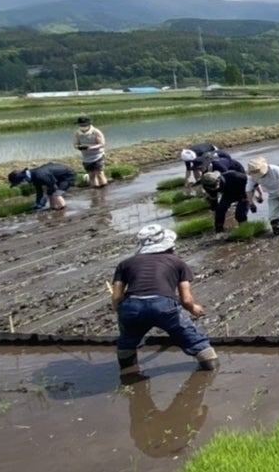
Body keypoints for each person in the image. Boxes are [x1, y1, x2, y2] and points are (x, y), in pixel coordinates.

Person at [111, 224, 218, 373]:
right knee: (193, 339)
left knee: (127, 342)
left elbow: (116, 297)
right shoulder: (177, 262)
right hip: (164, 306)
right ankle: (210, 367)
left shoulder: (125, 264)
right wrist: (194, 308)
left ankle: (128, 373)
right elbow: (186, 300)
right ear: (169, 245)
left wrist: (123, 313)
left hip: (132, 307)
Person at [245, 157, 279, 235]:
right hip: (273, 194)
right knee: (272, 217)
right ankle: (278, 233)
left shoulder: (275, 169)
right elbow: (248, 191)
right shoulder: (253, 177)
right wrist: (251, 203)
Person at [200, 169, 252, 234]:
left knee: (240, 214)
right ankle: (219, 231)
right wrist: (214, 207)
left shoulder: (235, 176)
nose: (212, 188)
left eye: (214, 186)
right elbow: (213, 197)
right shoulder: (207, 185)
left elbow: (253, 182)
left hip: (244, 193)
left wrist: (254, 199)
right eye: (210, 187)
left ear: (218, 180)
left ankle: (244, 231)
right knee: (220, 211)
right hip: (228, 194)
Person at [8, 162, 76, 210]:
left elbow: (53, 186)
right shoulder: (33, 176)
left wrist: (44, 200)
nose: (20, 185)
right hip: (57, 177)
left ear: (22, 179)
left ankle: (63, 209)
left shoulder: (40, 175)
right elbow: (39, 190)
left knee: (56, 194)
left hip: (68, 176)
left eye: (19, 183)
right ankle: (53, 208)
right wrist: (38, 204)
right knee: (50, 193)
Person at [73, 116, 108, 188]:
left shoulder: (96, 132)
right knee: (91, 175)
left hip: (98, 156)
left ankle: (104, 191)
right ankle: (95, 191)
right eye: (81, 125)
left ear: (88, 124)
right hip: (86, 157)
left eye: (84, 125)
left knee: (100, 173)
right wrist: (79, 147)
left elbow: (102, 144)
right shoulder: (77, 133)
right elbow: (75, 144)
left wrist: (90, 147)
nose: (82, 126)